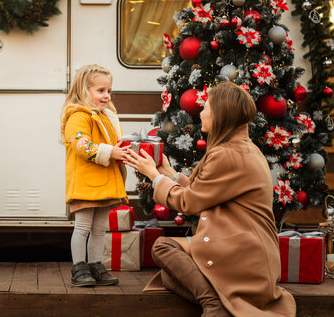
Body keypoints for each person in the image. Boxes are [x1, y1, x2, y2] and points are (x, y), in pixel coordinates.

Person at [123, 82, 296, 316]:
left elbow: (188, 203)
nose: (201, 112)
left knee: (164, 249)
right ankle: (217, 299)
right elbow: (204, 192)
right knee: (171, 275)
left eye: (206, 107)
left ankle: (214, 306)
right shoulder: (241, 148)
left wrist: (154, 177)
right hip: (241, 246)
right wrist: (168, 173)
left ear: (221, 114)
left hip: (240, 250)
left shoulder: (228, 153)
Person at [60, 64, 129, 287]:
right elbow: (82, 145)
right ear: (83, 90)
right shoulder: (79, 116)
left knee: (100, 228)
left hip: (104, 181)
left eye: (108, 91)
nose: (106, 96)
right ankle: (79, 268)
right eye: (100, 91)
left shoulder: (105, 116)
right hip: (86, 182)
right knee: (82, 227)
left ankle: (95, 265)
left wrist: (120, 151)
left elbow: (109, 143)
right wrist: (111, 152)